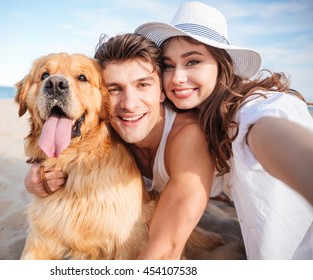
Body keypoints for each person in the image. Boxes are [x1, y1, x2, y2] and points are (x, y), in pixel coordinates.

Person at [135, 1, 313, 259]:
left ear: (222, 65)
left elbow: (273, 134)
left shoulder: (250, 109)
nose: (176, 78)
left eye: (192, 62)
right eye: (168, 65)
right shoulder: (209, 124)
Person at [24, 33, 215, 259]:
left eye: (143, 84)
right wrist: (34, 175)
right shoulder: (109, 124)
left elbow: (167, 250)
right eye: (114, 89)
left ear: (162, 90)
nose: (129, 104)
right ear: (104, 97)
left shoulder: (188, 137)